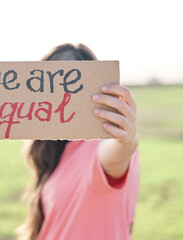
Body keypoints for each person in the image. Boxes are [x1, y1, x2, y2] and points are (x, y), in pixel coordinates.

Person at [17, 43, 140, 240]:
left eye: (73, 85)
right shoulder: (59, 150)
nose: (63, 96)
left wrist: (127, 137)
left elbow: (117, 154)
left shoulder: (101, 144)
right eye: (51, 85)